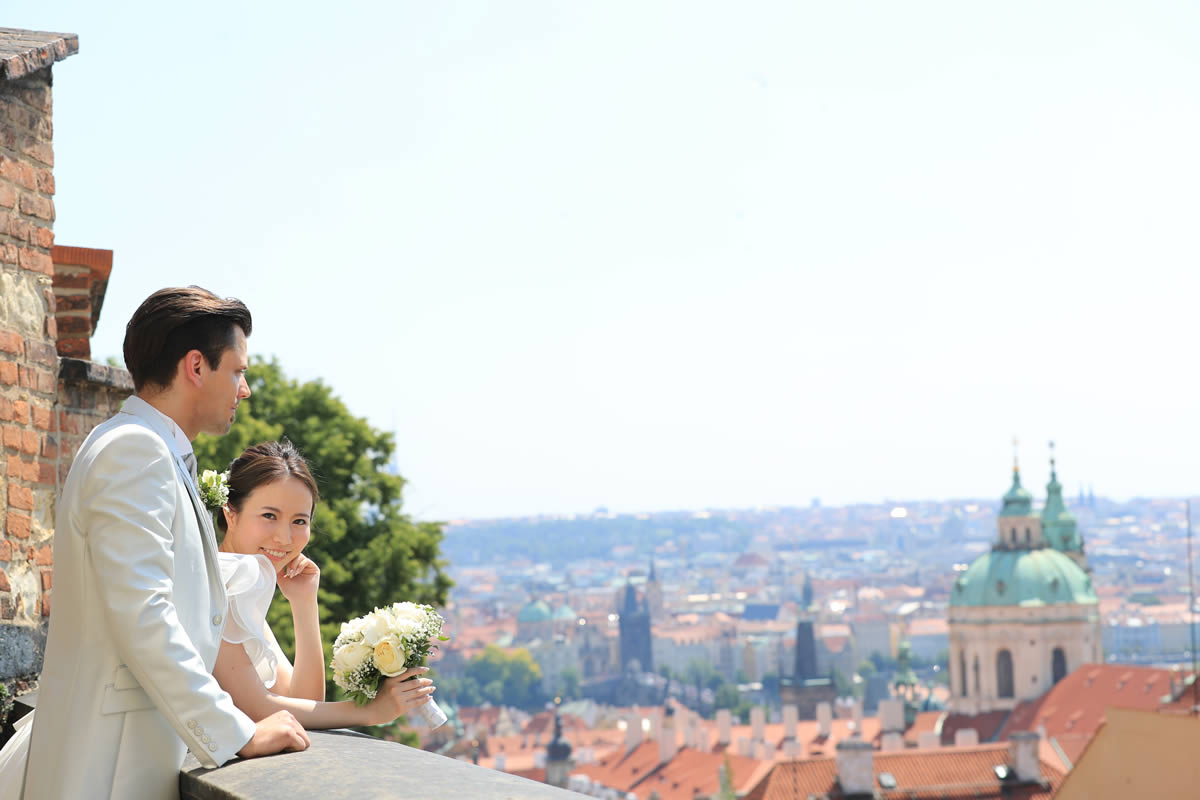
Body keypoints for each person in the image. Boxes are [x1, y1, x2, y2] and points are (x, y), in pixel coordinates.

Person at [16, 288, 308, 800]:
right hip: (109, 770)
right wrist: (237, 733)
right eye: (237, 372)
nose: (244, 390)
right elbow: (143, 613)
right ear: (196, 366)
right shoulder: (134, 450)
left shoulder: (145, 449)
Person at [209, 440, 435, 728]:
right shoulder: (222, 580)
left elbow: (304, 701)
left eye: (299, 521)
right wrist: (369, 712)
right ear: (230, 513)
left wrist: (304, 602)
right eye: (269, 516)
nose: (285, 538)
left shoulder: (243, 589)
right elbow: (257, 708)